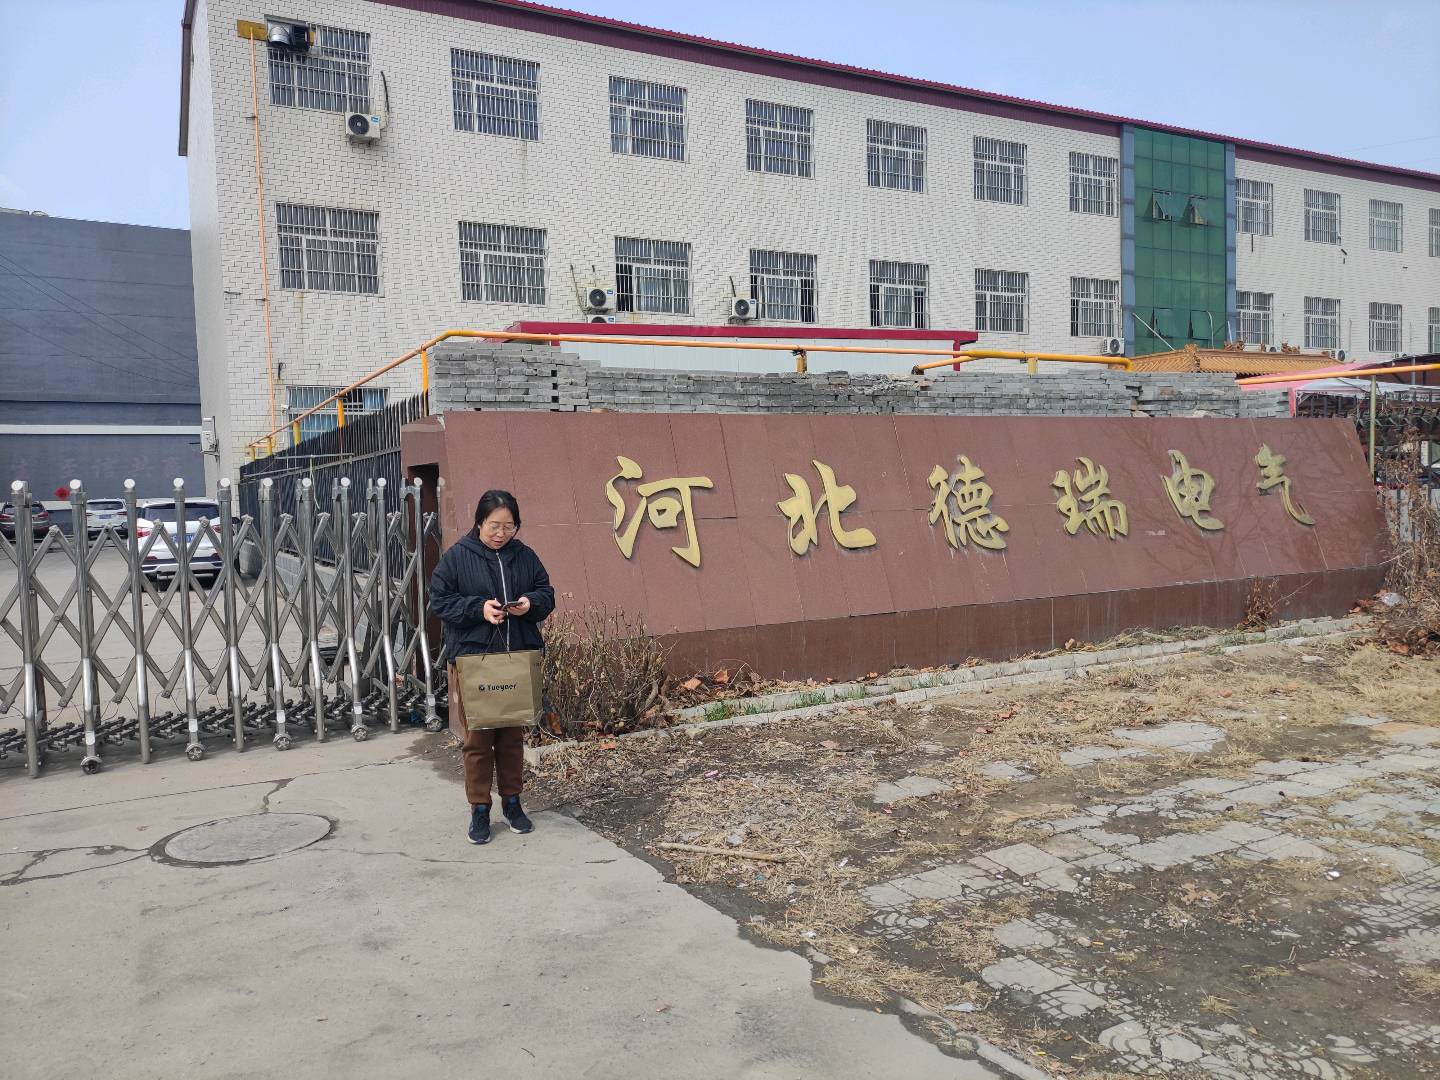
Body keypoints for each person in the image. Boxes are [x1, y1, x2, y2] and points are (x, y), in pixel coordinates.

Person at [430, 490, 555, 845]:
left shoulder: (524, 556)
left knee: (512, 739)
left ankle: (513, 803)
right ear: (479, 522)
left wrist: (529, 603)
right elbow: (440, 600)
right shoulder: (457, 557)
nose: (501, 533)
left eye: (509, 526)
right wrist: (478, 609)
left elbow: (546, 593)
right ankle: (480, 809)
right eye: (494, 525)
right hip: (476, 662)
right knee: (478, 740)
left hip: (515, 659)